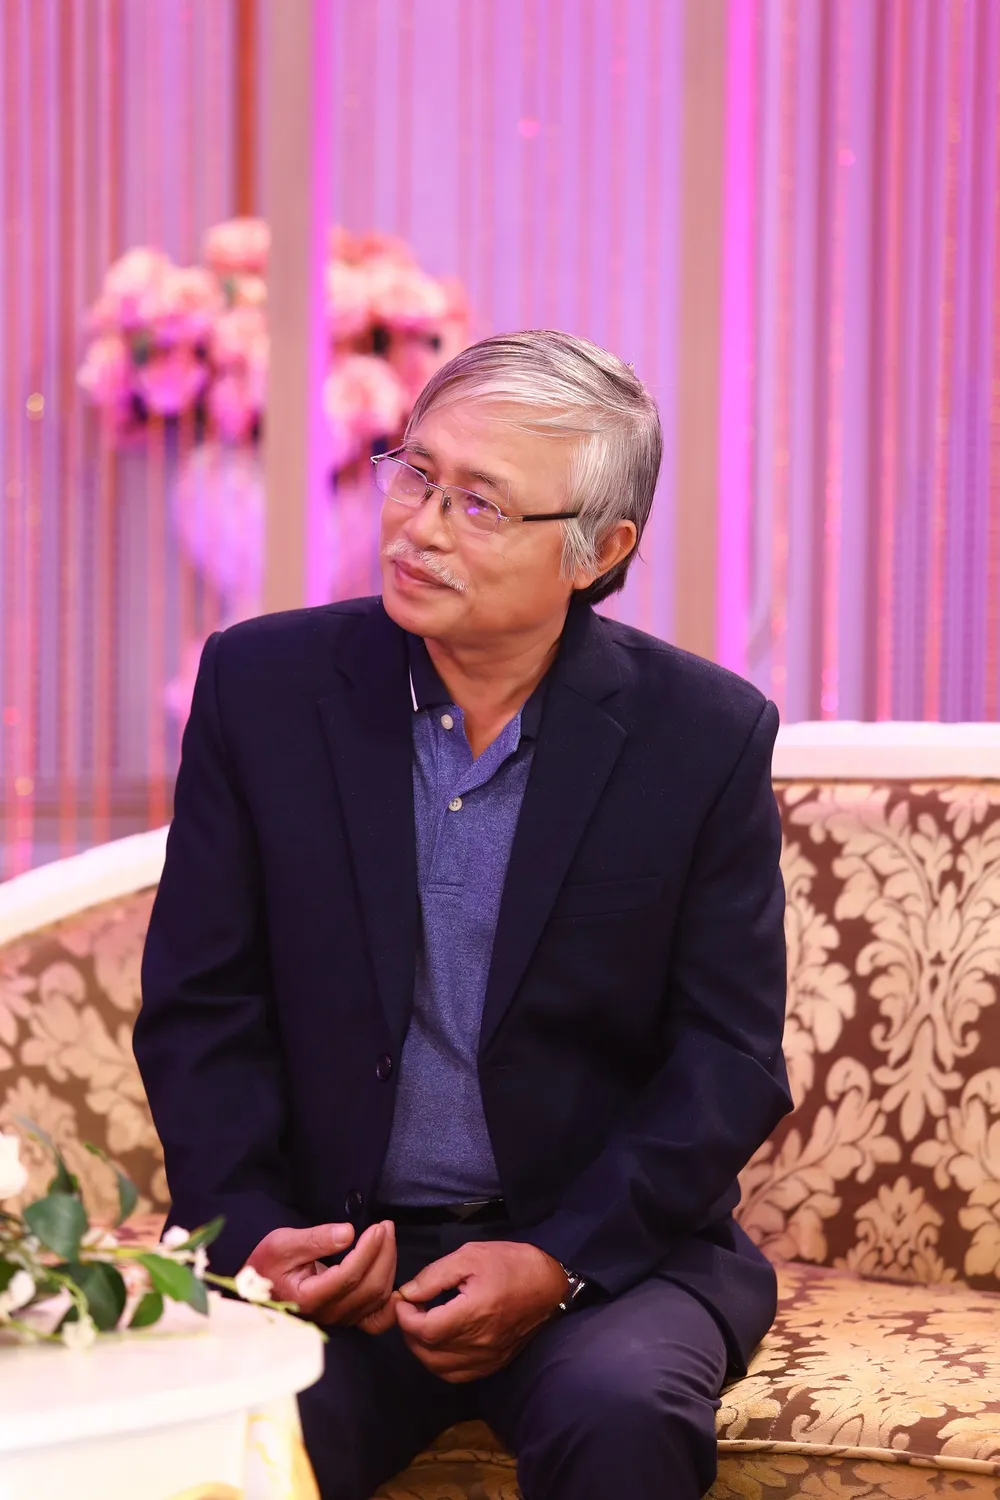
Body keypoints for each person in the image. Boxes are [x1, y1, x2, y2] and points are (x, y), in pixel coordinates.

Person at [135, 329, 791, 1500]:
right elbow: (202, 1003)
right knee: (217, 1435)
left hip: (599, 1262)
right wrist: (250, 1233)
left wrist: (556, 1260)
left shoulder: (702, 737)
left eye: (479, 505)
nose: (419, 528)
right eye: (416, 474)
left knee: (622, 1414)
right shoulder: (262, 688)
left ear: (599, 550)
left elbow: (726, 1059)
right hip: (338, 1255)